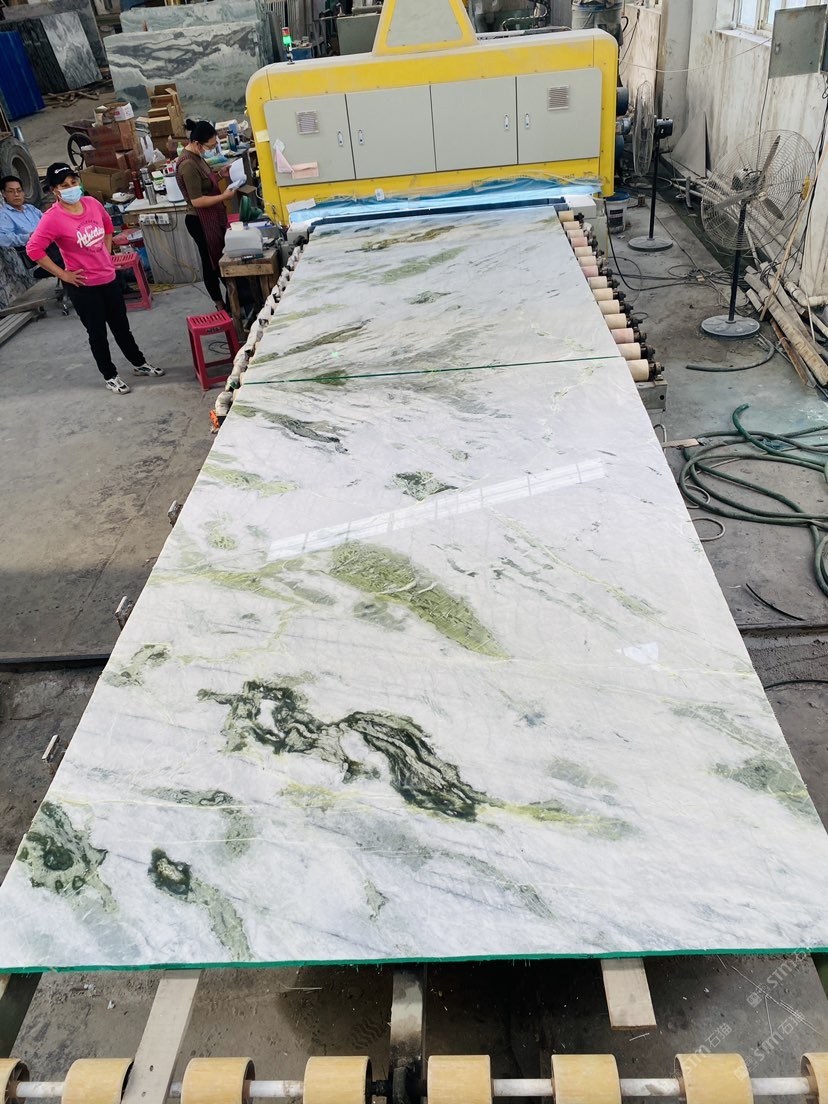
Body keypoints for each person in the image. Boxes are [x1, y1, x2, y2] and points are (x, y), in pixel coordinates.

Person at [27, 163, 162, 395]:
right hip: (84, 286)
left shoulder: (92, 203)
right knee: (97, 333)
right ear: (55, 190)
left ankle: (139, 363)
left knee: (122, 327)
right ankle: (110, 375)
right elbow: (33, 249)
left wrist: (106, 252)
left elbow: (108, 226)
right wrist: (64, 274)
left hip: (108, 277)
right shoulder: (53, 218)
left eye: (73, 182)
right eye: (64, 185)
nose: (71, 188)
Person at [176, 119, 241, 312]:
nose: (211, 149)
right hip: (199, 220)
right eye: (210, 146)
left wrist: (220, 175)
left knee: (219, 256)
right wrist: (224, 196)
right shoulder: (188, 164)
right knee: (211, 262)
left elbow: (205, 182)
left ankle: (233, 301)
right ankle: (220, 304)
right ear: (197, 143)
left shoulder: (197, 156)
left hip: (211, 217)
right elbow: (196, 200)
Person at [0, 175, 62, 280]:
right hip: (37, 250)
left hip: (51, 242)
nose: (16, 194)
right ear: (4, 193)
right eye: (11, 191)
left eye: (19, 190)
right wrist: (29, 236)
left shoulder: (30, 208)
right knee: (71, 256)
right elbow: (2, 238)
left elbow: (48, 221)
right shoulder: (4, 215)